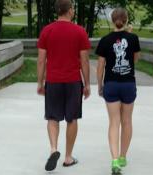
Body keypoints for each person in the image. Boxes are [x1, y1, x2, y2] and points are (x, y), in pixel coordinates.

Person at [36, 0, 91, 172]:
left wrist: (40, 82)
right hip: (73, 81)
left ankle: (53, 149)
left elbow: (41, 60)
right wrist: (87, 83)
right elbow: (85, 60)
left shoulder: (47, 31)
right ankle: (68, 157)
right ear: (68, 11)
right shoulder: (79, 31)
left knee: (52, 117)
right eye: (73, 8)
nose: (74, 11)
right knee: (72, 118)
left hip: (53, 81)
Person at [95, 8, 141, 175]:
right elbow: (135, 59)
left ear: (112, 20)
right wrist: (129, 35)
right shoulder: (133, 38)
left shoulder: (105, 40)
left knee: (114, 122)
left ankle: (114, 159)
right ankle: (122, 156)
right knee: (127, 120)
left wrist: (99, 85)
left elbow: (100, 66)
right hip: (128, 84)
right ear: (126, 20)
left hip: (111, 84)